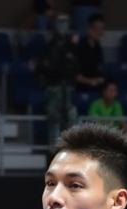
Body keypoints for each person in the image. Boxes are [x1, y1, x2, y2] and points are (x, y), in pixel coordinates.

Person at [36, 13, 79, 147]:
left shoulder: (72, 46)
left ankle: (71, 151)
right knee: (54, 119)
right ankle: (53, 152)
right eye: (60, 23)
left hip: (68, 88)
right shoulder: (49, 45)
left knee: (71, 117)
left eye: (65, 23)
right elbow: (44, 67)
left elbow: (76, 67)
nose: (62, 26)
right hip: (54, 88)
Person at [75, 14, 105, 90]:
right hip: (82, 86)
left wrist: (100, 79)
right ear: (89, 29)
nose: (101, 33)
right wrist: (90, 81)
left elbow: (100, 68)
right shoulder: (80, 46)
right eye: (98, 29)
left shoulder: (98, 47)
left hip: (96, 85)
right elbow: (74, 75)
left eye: (102, 29)